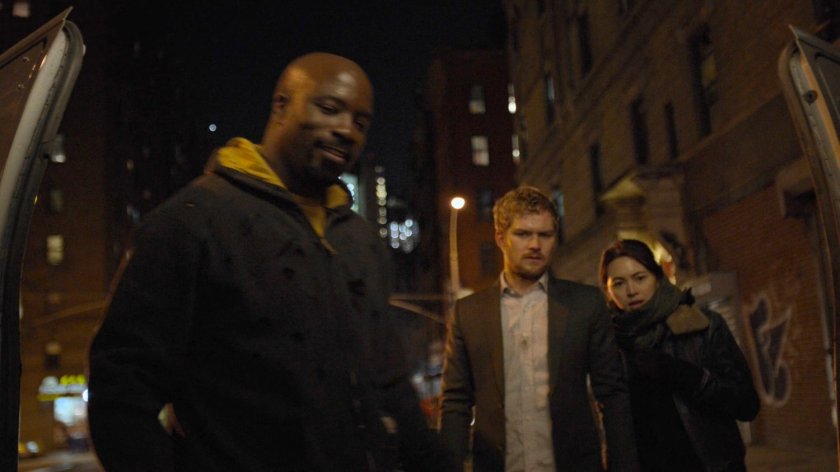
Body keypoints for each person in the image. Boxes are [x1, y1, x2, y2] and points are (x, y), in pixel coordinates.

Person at [87, 52, 452, 472]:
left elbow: (390, 388)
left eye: (361, 122)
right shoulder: (191, 222)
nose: (346, 130)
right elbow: (122, 391)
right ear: (281, 106)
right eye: (329, 108)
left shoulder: (360, 240)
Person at [439, 186, 638, 472]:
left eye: (545, 235)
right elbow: (456, 401)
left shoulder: (585, 304)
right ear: (500, 238)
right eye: (523, 234)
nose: (535, 244)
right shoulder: (469, 313)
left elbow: (612, 394)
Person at [598, 239, 760, 471]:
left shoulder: (701, 325)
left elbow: (746, 404)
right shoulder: (607, 344)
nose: (631, 291)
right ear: (608, 290)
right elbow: (612, 427)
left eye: (640, 278)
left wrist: (685, 375)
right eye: (619, 283)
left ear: (657, 277)